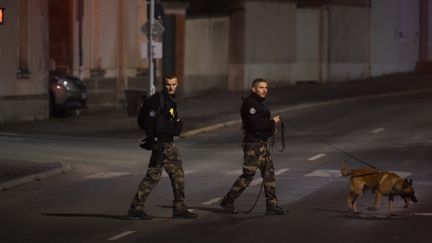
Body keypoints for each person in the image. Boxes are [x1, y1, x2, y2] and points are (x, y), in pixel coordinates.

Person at [128, 74, 198, 220]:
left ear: (177, 84)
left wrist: (173, 126)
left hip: (167, 143)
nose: (171, 87)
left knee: (168, 175)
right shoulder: (157, 100)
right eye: (168, 84)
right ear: (163, 84)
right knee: (162, 176)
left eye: (173, 84)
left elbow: (173, 124)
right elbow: (149, 122)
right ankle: (137, 208)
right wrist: (155, 138)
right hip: (161, 144)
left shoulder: (171, 100)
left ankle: (177, 208)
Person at [220, 78, 287, 215]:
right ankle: (228, 201)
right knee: (248, 176)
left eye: (266, 88)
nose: (264, 90)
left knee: (269, 174)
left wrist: (270, 129)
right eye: (261, 87)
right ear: (254, 88)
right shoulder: (250, 104)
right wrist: (272, 122)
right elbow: (255, 125)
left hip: (262, 145)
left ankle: (271, 206)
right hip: (253, 146)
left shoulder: (259, 104)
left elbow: (260, 125)